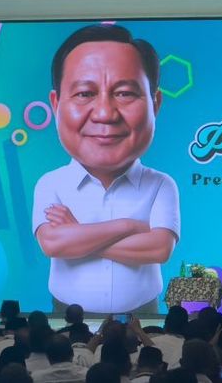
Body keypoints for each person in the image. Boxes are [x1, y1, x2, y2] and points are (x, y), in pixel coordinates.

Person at [32, 24, 180, 314]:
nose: (104, 114)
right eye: (85, 94)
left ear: (156, 102)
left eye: (124, 93)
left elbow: (159, 249)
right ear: (56, 104)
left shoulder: (162, 185)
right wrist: (129, 226)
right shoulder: (50, 183)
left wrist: (78, 235)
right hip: (67, 316)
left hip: (142, 315)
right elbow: (52, 243)